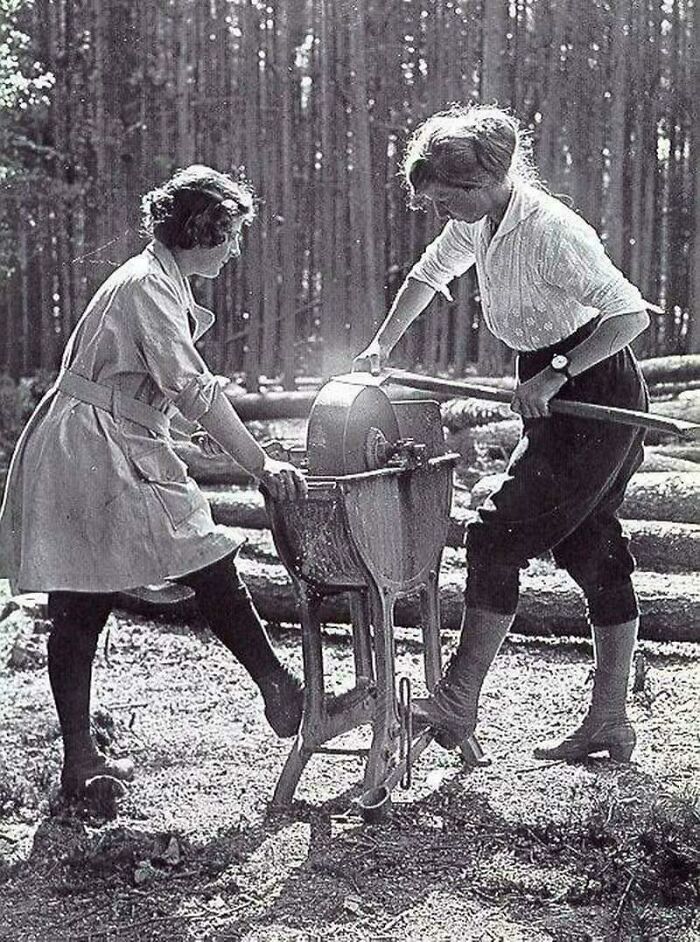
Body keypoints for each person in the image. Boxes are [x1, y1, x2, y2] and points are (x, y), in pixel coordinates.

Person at [354, 105, 655, 763]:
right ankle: (611, 721)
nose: (439, 216)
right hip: (554, 386)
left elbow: (629, 314)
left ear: (481, 182)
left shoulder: (550, 230)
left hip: (596, 387)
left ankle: (458, 699)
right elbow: (427, 276)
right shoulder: (482, 222)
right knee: (591, 545)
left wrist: (557, 373)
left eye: (443, 202)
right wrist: (382, 345)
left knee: (494, 534)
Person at [0, 164, 308, 798]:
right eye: (230, 234)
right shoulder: (146, 288)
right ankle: (273, 686)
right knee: (123, 583)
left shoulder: (159, 282)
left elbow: (156, 391)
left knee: (114, 588)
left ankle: (270, 686)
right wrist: (261, 464)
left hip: (107, 437)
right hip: (88, 447)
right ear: (202, 231)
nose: (235, 248)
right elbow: (195, 390)